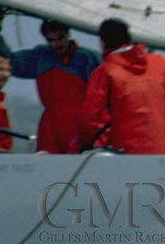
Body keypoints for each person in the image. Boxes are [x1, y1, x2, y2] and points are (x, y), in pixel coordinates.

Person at [77, 18, 165, 154]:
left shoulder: (105, 71)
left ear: (103, 43)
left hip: (128, 154)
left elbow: (89, 117)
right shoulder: (159, 62)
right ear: (129, 38)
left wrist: (84, 146)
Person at [11, 19, 101, 153]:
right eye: (51, 40)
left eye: (60, 38)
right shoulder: (40, 56)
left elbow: (101, 95)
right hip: (50, 126)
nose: (56, 44)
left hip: (78, 124)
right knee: (46, 165)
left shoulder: (87, 58)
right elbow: (6, 62)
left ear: (68, 34)